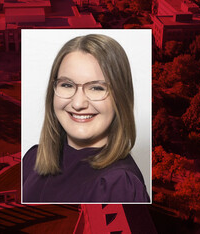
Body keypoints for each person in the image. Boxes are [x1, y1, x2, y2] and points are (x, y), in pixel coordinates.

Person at [23, 34, 149, 203]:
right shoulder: (33, 158)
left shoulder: (118, 183)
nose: (78, 103)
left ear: (120, 97)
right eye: (67, 85)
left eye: (96, 88)